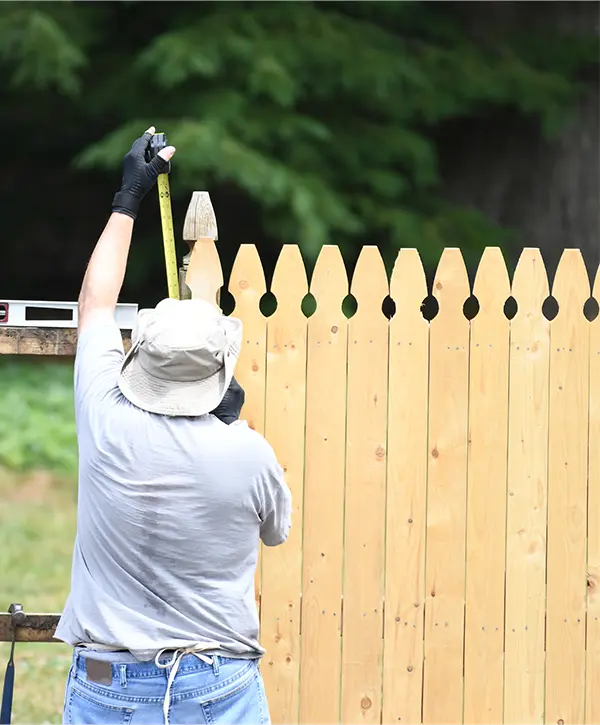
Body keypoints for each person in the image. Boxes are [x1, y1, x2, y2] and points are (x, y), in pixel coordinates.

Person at [55, 127, 292, 725]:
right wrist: (229, 431)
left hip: (109, 682)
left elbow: (96, 306)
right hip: (218, 686)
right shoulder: (249, 454)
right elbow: (275, 533)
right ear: (219, 377)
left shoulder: (103, 417)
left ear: (142, 361)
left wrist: (127, 201)